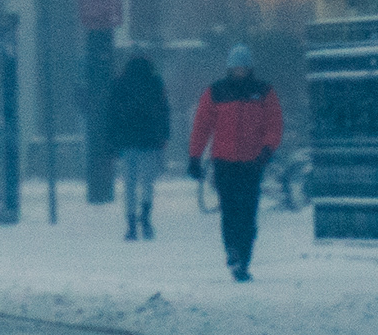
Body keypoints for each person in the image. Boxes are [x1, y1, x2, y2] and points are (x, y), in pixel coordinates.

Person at [186, 45, 284, 281]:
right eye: (236, 68)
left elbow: (274, 124)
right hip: (224, 161)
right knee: (230, 210)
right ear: (230, 68)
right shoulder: (216, 92)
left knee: (248, 212)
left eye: (243, 68)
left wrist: (266, 150)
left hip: (252, 161)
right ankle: (233, 250)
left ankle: (243, 257)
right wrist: (194, 156)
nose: (239, 72)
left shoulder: (263, 92)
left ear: (249, 68)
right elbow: (202, 126)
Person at [105, 54, 171, 240]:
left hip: (127, 142)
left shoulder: (120, 83)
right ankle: (146, 218)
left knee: (130, 184)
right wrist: (164, 135)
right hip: (149, 141)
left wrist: (112, 142)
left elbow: (111, 114)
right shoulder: (155, 83)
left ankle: (131, 224)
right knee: (147, 182)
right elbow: (164, 110)